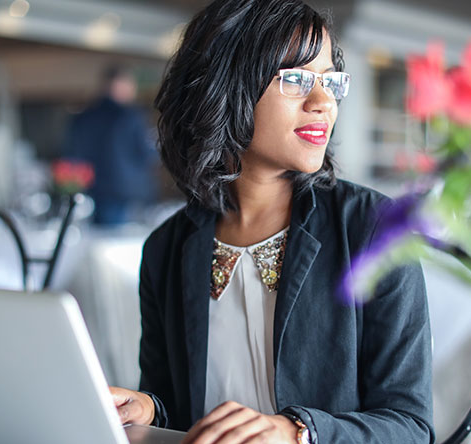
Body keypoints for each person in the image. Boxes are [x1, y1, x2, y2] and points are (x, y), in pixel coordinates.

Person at [108, 1, 434, 442]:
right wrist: (148, 407)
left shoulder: (373, 230)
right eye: (296, 79)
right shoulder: (166, 248)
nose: (323, 103)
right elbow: (178, 404)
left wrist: (297, 434)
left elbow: (411, 428)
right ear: (226, 84)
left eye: (331, 81)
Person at [63, 65, 157, 225]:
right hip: (127, 191)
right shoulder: (130, 116)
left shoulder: (84, 117)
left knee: (102, 239)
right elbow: (146, 154)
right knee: (125, 243)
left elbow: (73, 153)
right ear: (118, 85)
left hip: (94, 188)